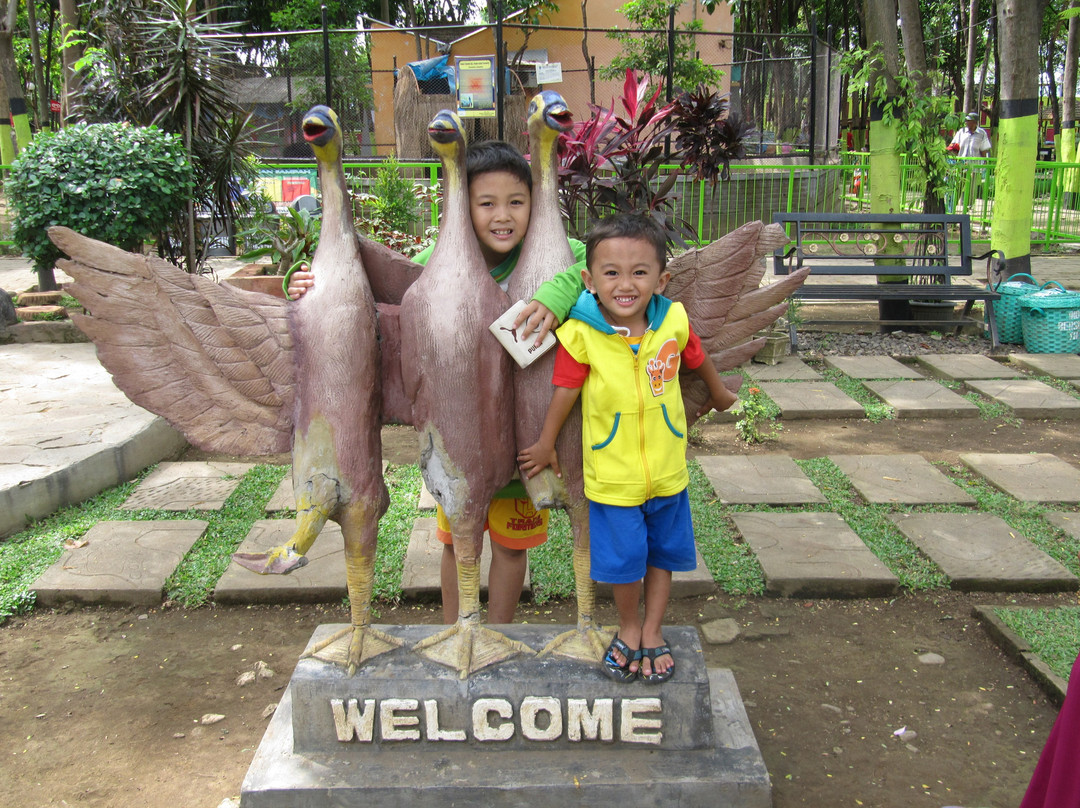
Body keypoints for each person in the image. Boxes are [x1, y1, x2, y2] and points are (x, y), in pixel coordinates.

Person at [285, 140, 588, 624]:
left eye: (517, 202)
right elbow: (360, 284)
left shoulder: (562, 255)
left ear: (535, 203)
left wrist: (556, 293)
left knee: (511, 551)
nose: (502, 216)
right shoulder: (435, 259)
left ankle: (500, 632)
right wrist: (299, 286)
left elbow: (600, 269)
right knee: (459, 541)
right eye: (486, 203)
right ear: (462, 206)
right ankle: (455, 630)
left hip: (533, 448)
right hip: (464, 441)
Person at [517, 213, 738, 684]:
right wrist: (545, 442)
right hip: (613, 479)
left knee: (662, 557)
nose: (625, 284)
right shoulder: (582, 334)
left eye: (640, 272)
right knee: (623, 565)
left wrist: (719, 395)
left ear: (662, 279)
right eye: (611, 272)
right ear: (589, 280)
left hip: (667, 473)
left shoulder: (673, 320)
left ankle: (654, 631)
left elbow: (697, 358)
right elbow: (565, 390)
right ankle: (630, 627)